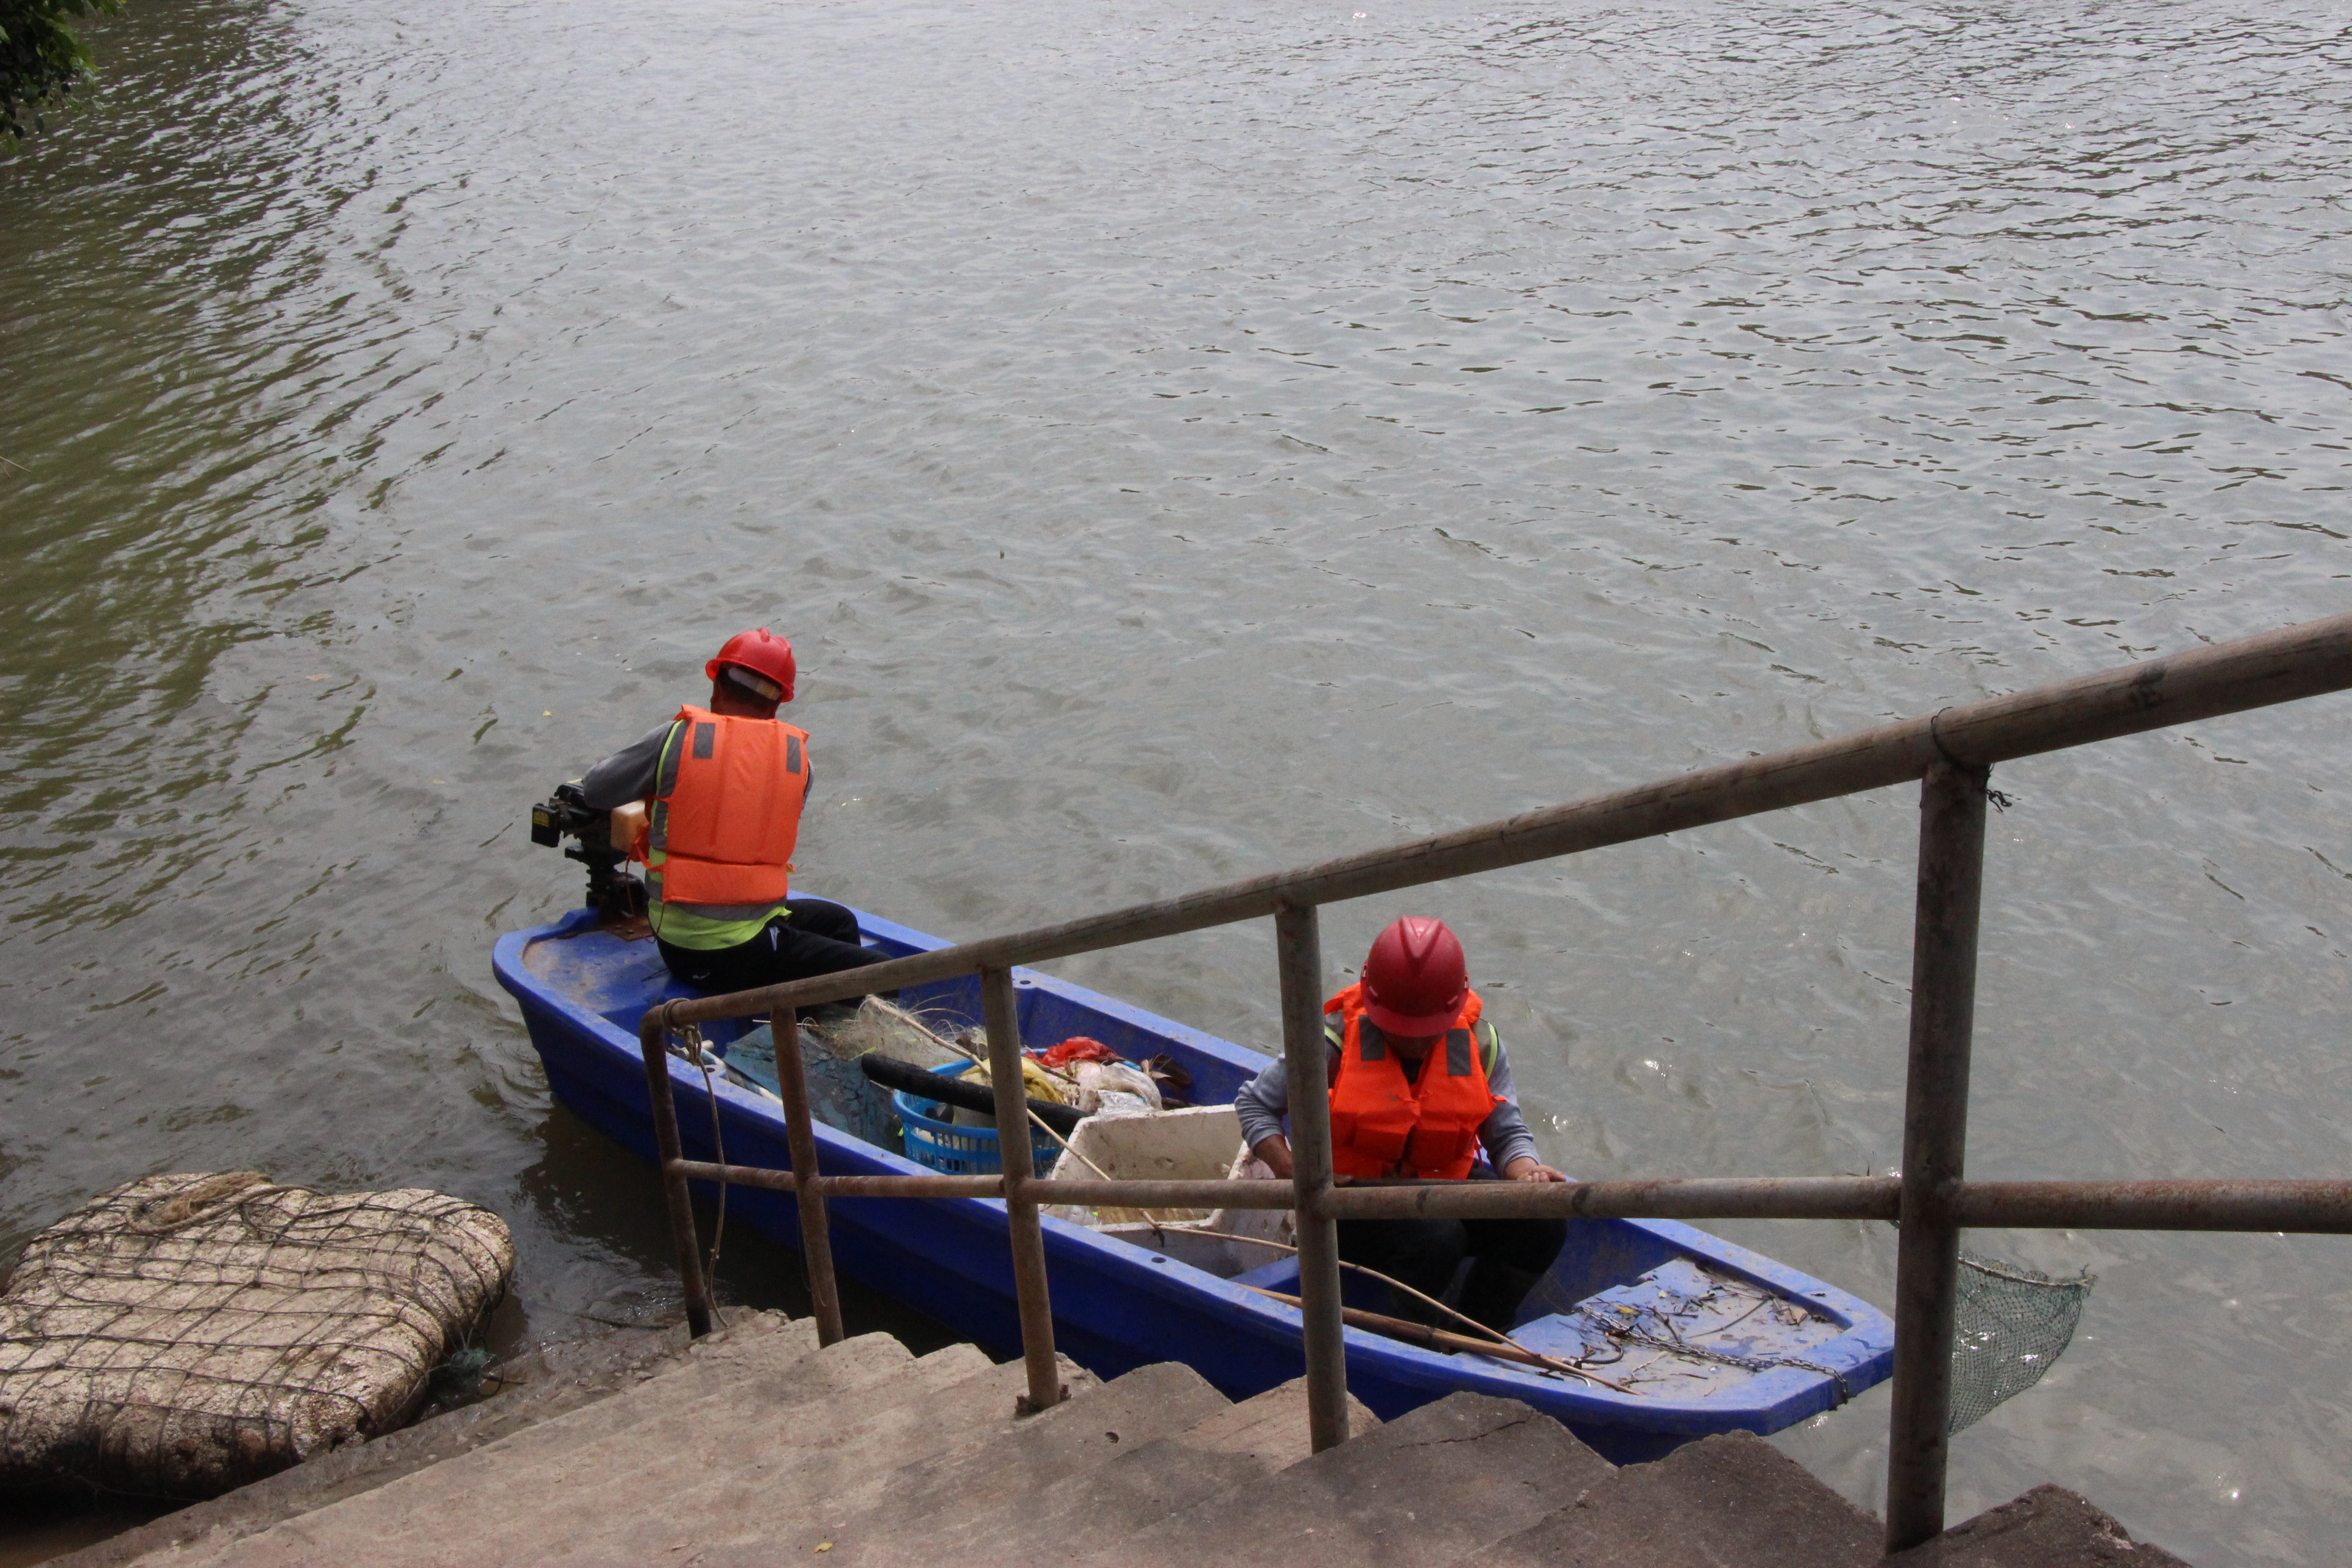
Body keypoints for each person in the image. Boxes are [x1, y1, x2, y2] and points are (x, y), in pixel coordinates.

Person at [1234, 915, 1567, 1331]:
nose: (1413, 1041)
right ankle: (1412, 1339)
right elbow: (1254, 1105)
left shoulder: (1481, 1044)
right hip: (1353, 1208)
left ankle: (1477, 1332)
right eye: (1400, 1029)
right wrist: (1296, 1173)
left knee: (1543, 1222)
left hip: (1445, 1189)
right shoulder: (1331, 1042)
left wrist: (1527, 1173)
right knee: (1437, 1238)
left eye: (1427, 1032)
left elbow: (1507, 1137)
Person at [579, 628, 879, 1002]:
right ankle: (835, 1031)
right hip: (730, 951)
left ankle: (808, 1020)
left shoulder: (674, 740)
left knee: (838, 922)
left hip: (685, 946)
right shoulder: (798, 763)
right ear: (777, 705)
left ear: (717, 687)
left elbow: (595, 791)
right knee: (882, 974)